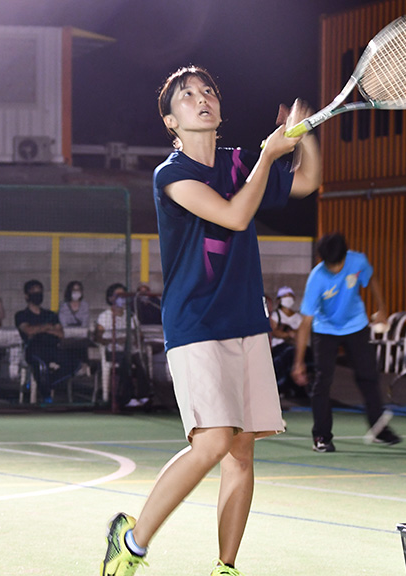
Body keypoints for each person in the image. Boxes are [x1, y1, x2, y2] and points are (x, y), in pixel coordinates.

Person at [99, 65, 320, 576]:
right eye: (187, 96)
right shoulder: (172, 174)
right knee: (214, 440)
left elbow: (307, 181)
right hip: (195, 323)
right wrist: (269, 155)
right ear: (170, 121)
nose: (202, 99)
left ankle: (225, 566)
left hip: (246, 321)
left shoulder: (239, 159)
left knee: (241, 452)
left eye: (208, 92)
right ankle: (130, 541)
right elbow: (235, 215)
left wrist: (305, 138)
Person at [291, 232, 402, 453]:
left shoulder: (358, 260)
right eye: (329, 264)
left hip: (356, 325)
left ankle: (379, 429)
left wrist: (382, 309)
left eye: (338, 264)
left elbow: (372, 279)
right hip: (325, 330)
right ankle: (321, 436)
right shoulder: (317, 278)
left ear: (345, 256)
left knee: (368, 376)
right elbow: (305, 323)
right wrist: (299, 362)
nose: (334, 269)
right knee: (323, 382)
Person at [14, 279, 80, 399]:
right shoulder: (21, 315)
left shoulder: (50, 315)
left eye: (40, 292)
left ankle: (48, 385)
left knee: (74, 363)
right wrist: (47, 327)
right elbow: (28, 330)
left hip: (51, 348)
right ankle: (45, 394)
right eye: (34, 292)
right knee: (41, 365)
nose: (37, 295)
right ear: (26, 296)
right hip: (34, 349)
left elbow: (60, 333)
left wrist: (40, 329)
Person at [94, 282, 147, 408]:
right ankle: (127, 397)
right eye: (118, 295)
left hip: (130, 350)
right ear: (110, 298)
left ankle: (144, 395)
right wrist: (116, 340)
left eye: (124, 295)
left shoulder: (131, 316)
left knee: (140, 360)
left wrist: (133, 339)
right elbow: (98, 337)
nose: (122, 299)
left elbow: (139, 335)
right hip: (112, 351)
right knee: (125, 360)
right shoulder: (104, 316)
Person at [270, 286, 306, 399]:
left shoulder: (298, 317)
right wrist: (288, 334)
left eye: (290, 296)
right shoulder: (276, 315)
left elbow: (301, 334)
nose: (288, 299)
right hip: (279, 347)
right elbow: (274, 331)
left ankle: (299, 388)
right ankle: (280, 387)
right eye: (285, 296)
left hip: (293, 347)